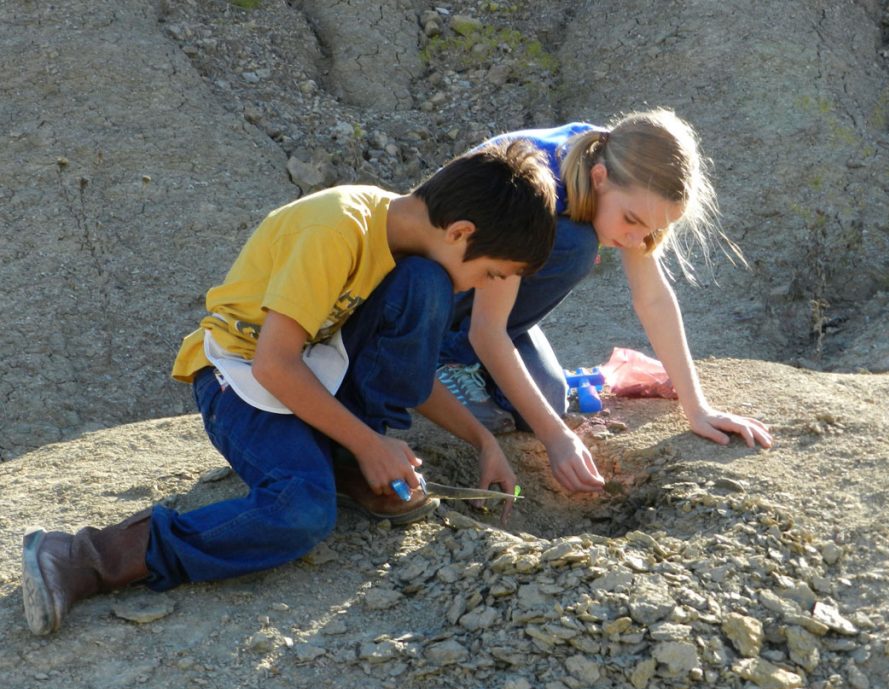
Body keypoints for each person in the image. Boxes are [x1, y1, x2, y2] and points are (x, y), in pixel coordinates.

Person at [21, 140, 557, 636]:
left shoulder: (412, 253)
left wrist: (482, 442)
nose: (482, 287)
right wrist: (373, 444)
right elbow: (274, 366)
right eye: (491, 273)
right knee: (300, 512)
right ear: (461, 232)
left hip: (313, 375)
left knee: (424, 285)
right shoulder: (336, 229)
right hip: (239, 380)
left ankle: (347, 465)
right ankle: (85, 557)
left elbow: (409, 378)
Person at [437, 109, 773, 494]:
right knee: (575, 247)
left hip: (485, 302)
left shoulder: (617, 164)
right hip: (429, 296)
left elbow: (653, 298)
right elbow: (487, 330)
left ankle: (467, 364)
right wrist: (558, 440)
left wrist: (698, 409)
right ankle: (444, 355)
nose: (636, 239)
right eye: (632, 220)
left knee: (548, 398)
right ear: (599, 179)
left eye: (653, 228)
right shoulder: (535, 189)